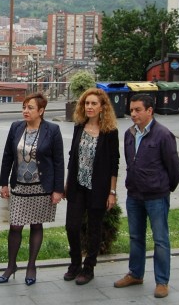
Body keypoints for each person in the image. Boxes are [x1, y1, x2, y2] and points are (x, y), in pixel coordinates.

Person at [114, 94, 179, 299]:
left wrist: (164, 188)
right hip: (134, 195)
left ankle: (162, 281)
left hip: (156, 196)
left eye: (137, 110)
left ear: (149, 111)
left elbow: (174, 168)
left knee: (160, 239)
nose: (133, 114)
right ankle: (135, 274)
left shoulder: (163, 135)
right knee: (136, 236)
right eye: (131, 110)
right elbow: (130, 162)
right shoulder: (129, 134)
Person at [0, 92, 63, 286]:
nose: (25, 111)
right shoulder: (16, 127)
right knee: (15, 226)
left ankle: (31, 266)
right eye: (24, 107)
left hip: (41, 187)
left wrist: (58, 189)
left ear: (41, 111)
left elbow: (59, 162)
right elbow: (7, 156)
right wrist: (3, 183)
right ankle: (11, 266)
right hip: (19, 186)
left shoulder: (52, 130)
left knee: (36, 225)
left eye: (30, 108)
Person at [63, 88, 119, 285]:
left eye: (94, 103)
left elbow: (114, 164)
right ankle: (75, 263)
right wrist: (67, 182)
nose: (89, 107)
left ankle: (89, 268)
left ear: (102, 107)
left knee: (94, 229)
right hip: (77, 185)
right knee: (72, 226)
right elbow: (72, 156)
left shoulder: (109, 132)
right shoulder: (79, 127)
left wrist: (112, 192)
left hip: (98, 188)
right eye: (87, 103)